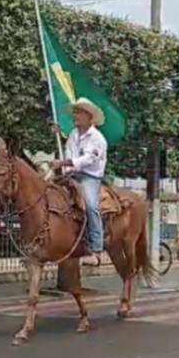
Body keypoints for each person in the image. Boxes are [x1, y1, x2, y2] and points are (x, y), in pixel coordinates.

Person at [49, 98, 108, 267]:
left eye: (79, 112)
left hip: (89, 176)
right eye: (75, 112)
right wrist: (64, 172)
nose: (75, 116)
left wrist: (63, 164)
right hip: (72, 175)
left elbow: (88, 159)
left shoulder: (98, 138)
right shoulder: (73, 135)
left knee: (90, 205)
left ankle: (96, 250)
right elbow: (69, 153)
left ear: (89, 117)